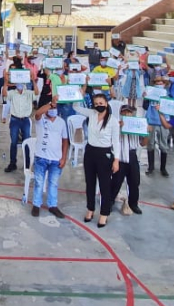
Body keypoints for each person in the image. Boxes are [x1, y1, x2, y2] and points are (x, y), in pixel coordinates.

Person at [73, 92, 120, 228]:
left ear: (106, 104)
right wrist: (79, 94)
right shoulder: (91, 114)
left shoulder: (113, 121)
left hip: (105, 154)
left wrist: (116, 160)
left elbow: (116, 142)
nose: (98, 106)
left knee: (105, 185)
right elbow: (76, 106)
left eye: (101, 103)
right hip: (90, 152)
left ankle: (104, 213)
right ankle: (90, 209)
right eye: (96, 104)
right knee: (90, 183)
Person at [30, 98, 69, 218]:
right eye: (50, 108)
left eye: (54, 108)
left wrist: (63, 158)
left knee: (53, 183)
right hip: (41, 157)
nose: (53, 110)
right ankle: (36, 205)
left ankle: (53, 206)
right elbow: (37, 113)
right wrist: (50, 103)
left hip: (56, 159)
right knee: (39, 182)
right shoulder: (40, 120)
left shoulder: (62, 122)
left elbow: (65, 141)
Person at [108, 105, 145, 215]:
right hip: (120, 156)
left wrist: (147, 132)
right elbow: (110, 140)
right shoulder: (115, 125)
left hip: (132, 155)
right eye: (123, 112)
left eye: (128, 112)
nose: (126, 114)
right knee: (116, 182)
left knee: (134, 182)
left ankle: (134, 204)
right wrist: (119, 128)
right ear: (120, 114)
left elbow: (143, 143)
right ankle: (109, 202)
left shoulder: (137, 126)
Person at [3, 79, 35, 173]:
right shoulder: (12, 93)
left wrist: (34, 80)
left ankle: (28, 164)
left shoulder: (29, 93)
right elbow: (5, 94)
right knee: (13, 142)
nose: (20, 85)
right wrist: (5, 82)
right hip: (14, 120)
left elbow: (36, 93)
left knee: (27, 142)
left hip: (25, 120)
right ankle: (13, 163)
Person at [144, 78, 169, 177]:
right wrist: (145, 98)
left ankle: (163, 168)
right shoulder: (150, 93)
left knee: (163, 144)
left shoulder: (167, 95)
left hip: (163, 121)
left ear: (164, 84)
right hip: (151, 120)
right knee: (150, 143)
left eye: (161, 82)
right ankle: (151, 167)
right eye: (157, 82)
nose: (159, 84)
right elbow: (145, 106)